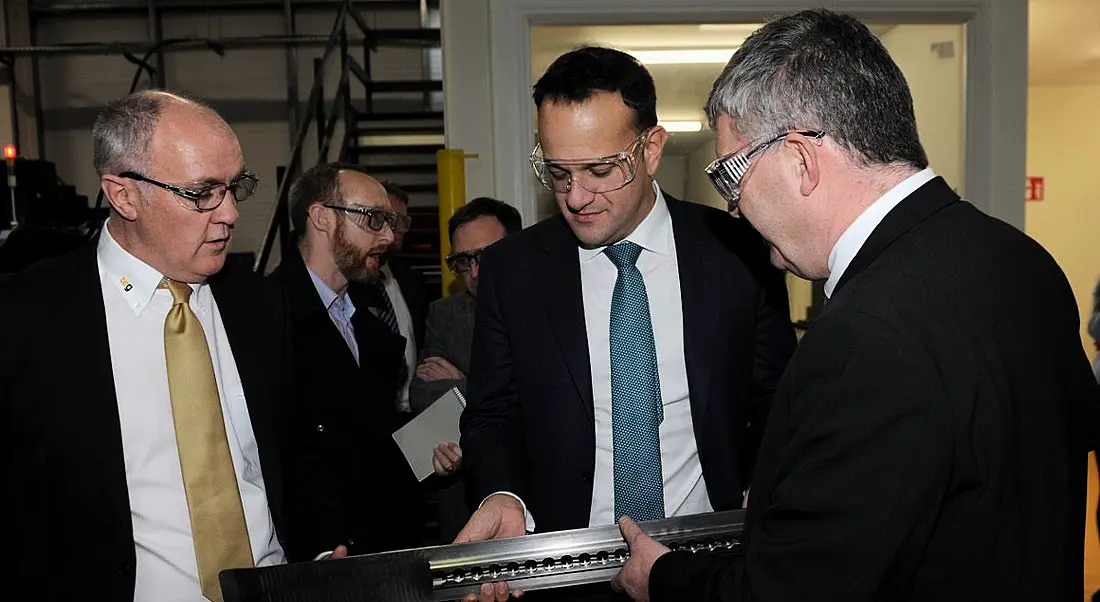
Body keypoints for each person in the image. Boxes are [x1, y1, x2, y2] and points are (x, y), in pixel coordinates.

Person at [611, 10, 1100, 602]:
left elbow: (793, 589)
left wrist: (661, 578)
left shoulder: (864, 335)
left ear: (800, 159)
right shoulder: (1023, 260)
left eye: (730, 177)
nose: (735, 209)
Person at [456, 46, 797, 601]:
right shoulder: (512, 271)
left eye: (599, 169)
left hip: (712, 563)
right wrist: (502, 496)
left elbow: (777, 395)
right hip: (566, 572)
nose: (576, 197)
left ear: (652, 148)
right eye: (557, 172)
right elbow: (493, 413)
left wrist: (768, 480)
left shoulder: (738, 251)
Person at [0, 90, 309, 601]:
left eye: (236, 187)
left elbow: (293, 454)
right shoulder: (26, 316)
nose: (230, 212)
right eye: (202, 192)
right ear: (124, 195)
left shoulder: (258, 304)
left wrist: (318, 553)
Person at [270, 162, 427, 559]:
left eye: (390, 222)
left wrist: (429, 450)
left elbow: (371, 439)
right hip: (321, 555)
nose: (389, 237)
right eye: (374, 220)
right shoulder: (267, 318)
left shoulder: (365, 320)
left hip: (382, 550)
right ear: (321, 217)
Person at [372, 180, 430, 424]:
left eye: (405, 221)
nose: (402, 229)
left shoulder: (413, 282)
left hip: (415, 416)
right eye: (394, 219)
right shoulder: (343, 286)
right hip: (372, 418)